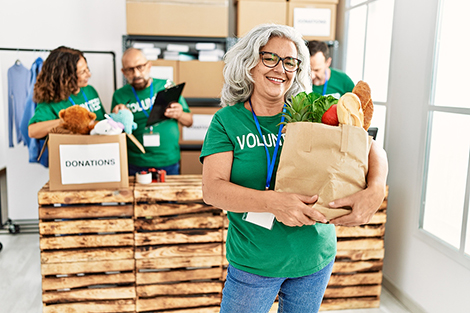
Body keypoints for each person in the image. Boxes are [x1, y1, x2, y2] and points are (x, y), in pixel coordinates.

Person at [200, 24, 388, 313]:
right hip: (254, 263)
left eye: (290, 61)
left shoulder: (311, 112)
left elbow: (370, 145)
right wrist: (272, 202)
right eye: (270, 58)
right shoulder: (227, 121)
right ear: (249, 62)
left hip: (314, 258)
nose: (281, 68)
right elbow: (213, 190)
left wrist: (375, 189)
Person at [111, 48, 193, 176]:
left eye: (140, 67)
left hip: (168, 160)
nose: (136, 73)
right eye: (130, 69)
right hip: (135, 163)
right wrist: (116, 119)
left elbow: (189, 121)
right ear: (123, 72)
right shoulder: (119, 95)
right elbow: (114, 133)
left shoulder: (167, 86)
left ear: (149, 66)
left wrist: (180, 114)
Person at [28, 46, 107, 139]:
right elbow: (32, 131)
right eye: (82, 72)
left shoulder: (90, 90)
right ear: (67, 77)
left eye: (87, 69)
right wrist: (65, 121)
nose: (88, 75)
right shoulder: (51, 100)